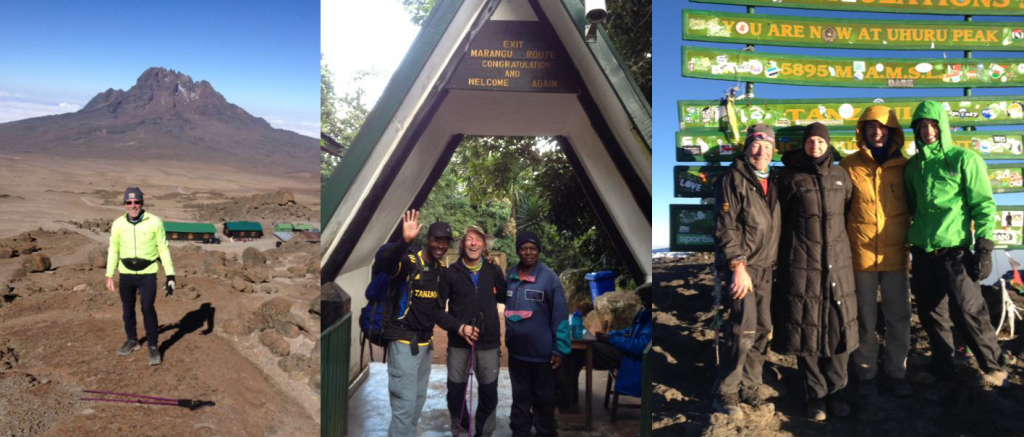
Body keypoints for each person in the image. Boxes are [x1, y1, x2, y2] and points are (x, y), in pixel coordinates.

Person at [905, 101, 1009, 387]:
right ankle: (943, 366)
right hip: (923, 252)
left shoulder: (965, 159)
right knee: (931, 313)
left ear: (942, 127)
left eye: (932, 125)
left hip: (955, 251)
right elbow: (913, 206)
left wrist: (984, 247)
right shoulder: (913, 167)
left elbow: (983, 204)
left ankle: (995, 366)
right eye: (921, 126)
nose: (927, 131)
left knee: (969, 309)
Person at [773, 123, 858, 421]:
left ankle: (838, 392)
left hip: (838, 264)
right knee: (806, 331)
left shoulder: (841, 176)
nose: (815, 146)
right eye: (810, 141)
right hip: (801, 264)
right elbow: (778, 220)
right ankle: (816, 397)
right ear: (803, 145)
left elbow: (850, 212)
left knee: (838, 330)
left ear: (828, 144)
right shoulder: (788, 177)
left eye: (820, 141)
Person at [375, 210, 480, 437]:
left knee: (417, 403)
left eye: (445, 242)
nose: (441, 246)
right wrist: (404, 241)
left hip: (425, 346)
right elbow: (387, 264)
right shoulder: (409, 261)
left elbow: (436, 312)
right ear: (427, 239)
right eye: (437, 240)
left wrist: (460, 327)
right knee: (404, 405)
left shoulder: (440, 271)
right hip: (403, 342)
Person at [839, 106, 914, 397]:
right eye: (870, 127)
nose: (876, 131)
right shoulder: (849, 165)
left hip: (896, 256)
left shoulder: (906, 166)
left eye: (882, 127)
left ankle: (897, 373)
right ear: (862, 132)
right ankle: (866, 373)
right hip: (860, 257)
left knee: (898, 317)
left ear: (893, 132)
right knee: (864, 318)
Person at [710, 123, 781, 418]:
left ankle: (751, 388)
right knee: (743, 330)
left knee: (763, 331)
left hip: (769, 268)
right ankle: (726, 393)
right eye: (756, 145)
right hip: (744, 269)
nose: (761, 151)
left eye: (767, 146)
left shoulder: (774, 181)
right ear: (746, 147)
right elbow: (726, 227)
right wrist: (737, 266)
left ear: (773, 150)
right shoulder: (733, 179)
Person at [440, 225, 506, 437]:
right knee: (456, 393)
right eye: (469, 239)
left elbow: (506, 296)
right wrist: (459, 328)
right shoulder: (451, 273)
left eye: (478, 240)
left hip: (488, 344)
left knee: (488, 393)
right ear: (462, 244)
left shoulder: (494, 271)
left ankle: (483, 434)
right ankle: (460, 431)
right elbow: (438, 312)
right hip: (459, 344)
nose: (473, 243)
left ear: (484, 246)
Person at [504, 231, 570, 437]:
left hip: (543, 356)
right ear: (518, 251)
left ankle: (546, 432)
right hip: (517, 354)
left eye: (532, 248)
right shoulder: (510, 275)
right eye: (524, 248)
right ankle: (520, 431)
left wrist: (559, 349)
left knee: (544, 398)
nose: (528, 252)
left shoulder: (550, 279)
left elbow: (560, 316)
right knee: (520, 398)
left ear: (539, 251)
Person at [105, 187, 175, 366]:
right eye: (129, 202)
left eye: (136, 202)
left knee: (147, 308)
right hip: (126, 273)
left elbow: (163, 248)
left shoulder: (155, 222)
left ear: (142, 203)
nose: (133, 205)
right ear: (124, 204)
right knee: (127, 309)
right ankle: (132, 340)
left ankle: (153, 346)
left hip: (148, 273)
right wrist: (109, 274)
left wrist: (170, 275)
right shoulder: (118, 224)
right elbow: (113, 249)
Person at [557, 283, 652, 411]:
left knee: (579, 351)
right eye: (642, 298)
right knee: (574, 353)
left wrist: (612, 340)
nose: (643, 301)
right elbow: (630, 330)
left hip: (630, 358)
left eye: (646, 298)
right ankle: (567, 398)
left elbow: (639, 347)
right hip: (625, 351)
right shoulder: (645, 312)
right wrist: (609, 335)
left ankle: (565, 399)